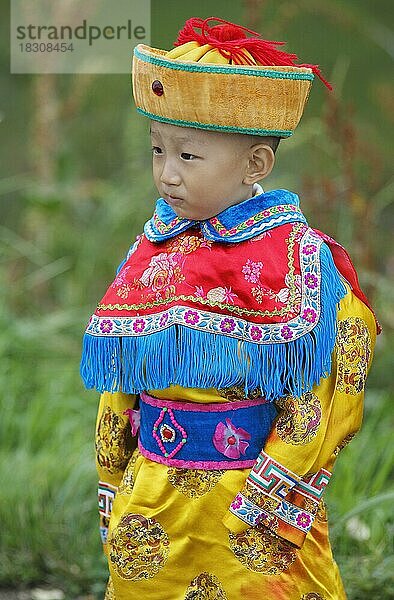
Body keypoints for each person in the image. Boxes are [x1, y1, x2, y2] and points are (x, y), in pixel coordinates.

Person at [80, 17, 380, 600]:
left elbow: (330, 383)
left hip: (246, 506)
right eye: (158, 151)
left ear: (256, 165)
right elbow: (120, 381)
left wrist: (272, 497)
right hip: (152, 505)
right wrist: (116, 479)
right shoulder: (150, 252)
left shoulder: (302, 261)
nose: (167, 174)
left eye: (189, 156)